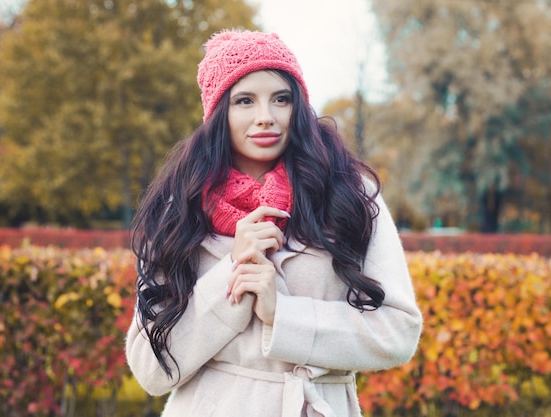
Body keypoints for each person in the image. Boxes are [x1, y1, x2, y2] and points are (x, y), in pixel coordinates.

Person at [125, 29, 423, 417]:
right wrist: (232, 272)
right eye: (244, 100)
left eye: (280, 99)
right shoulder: (179, 206)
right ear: (219, 113)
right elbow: (151, 370)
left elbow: (398, 332)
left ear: (297, 107)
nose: (265, 118)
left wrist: (282, 317)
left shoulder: (349, 193)